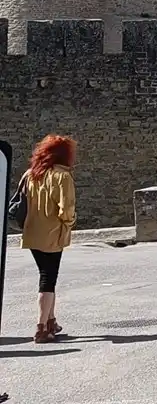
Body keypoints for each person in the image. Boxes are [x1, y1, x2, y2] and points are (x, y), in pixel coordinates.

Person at [21, 133, 76, 343]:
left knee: (46, 275)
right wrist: (68, 224)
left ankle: (51, 321)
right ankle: (42, 327)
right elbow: (67, 208)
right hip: (53, 233)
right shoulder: (62, 176)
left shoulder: (30, 174)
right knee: (48, 279)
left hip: (32, 232)